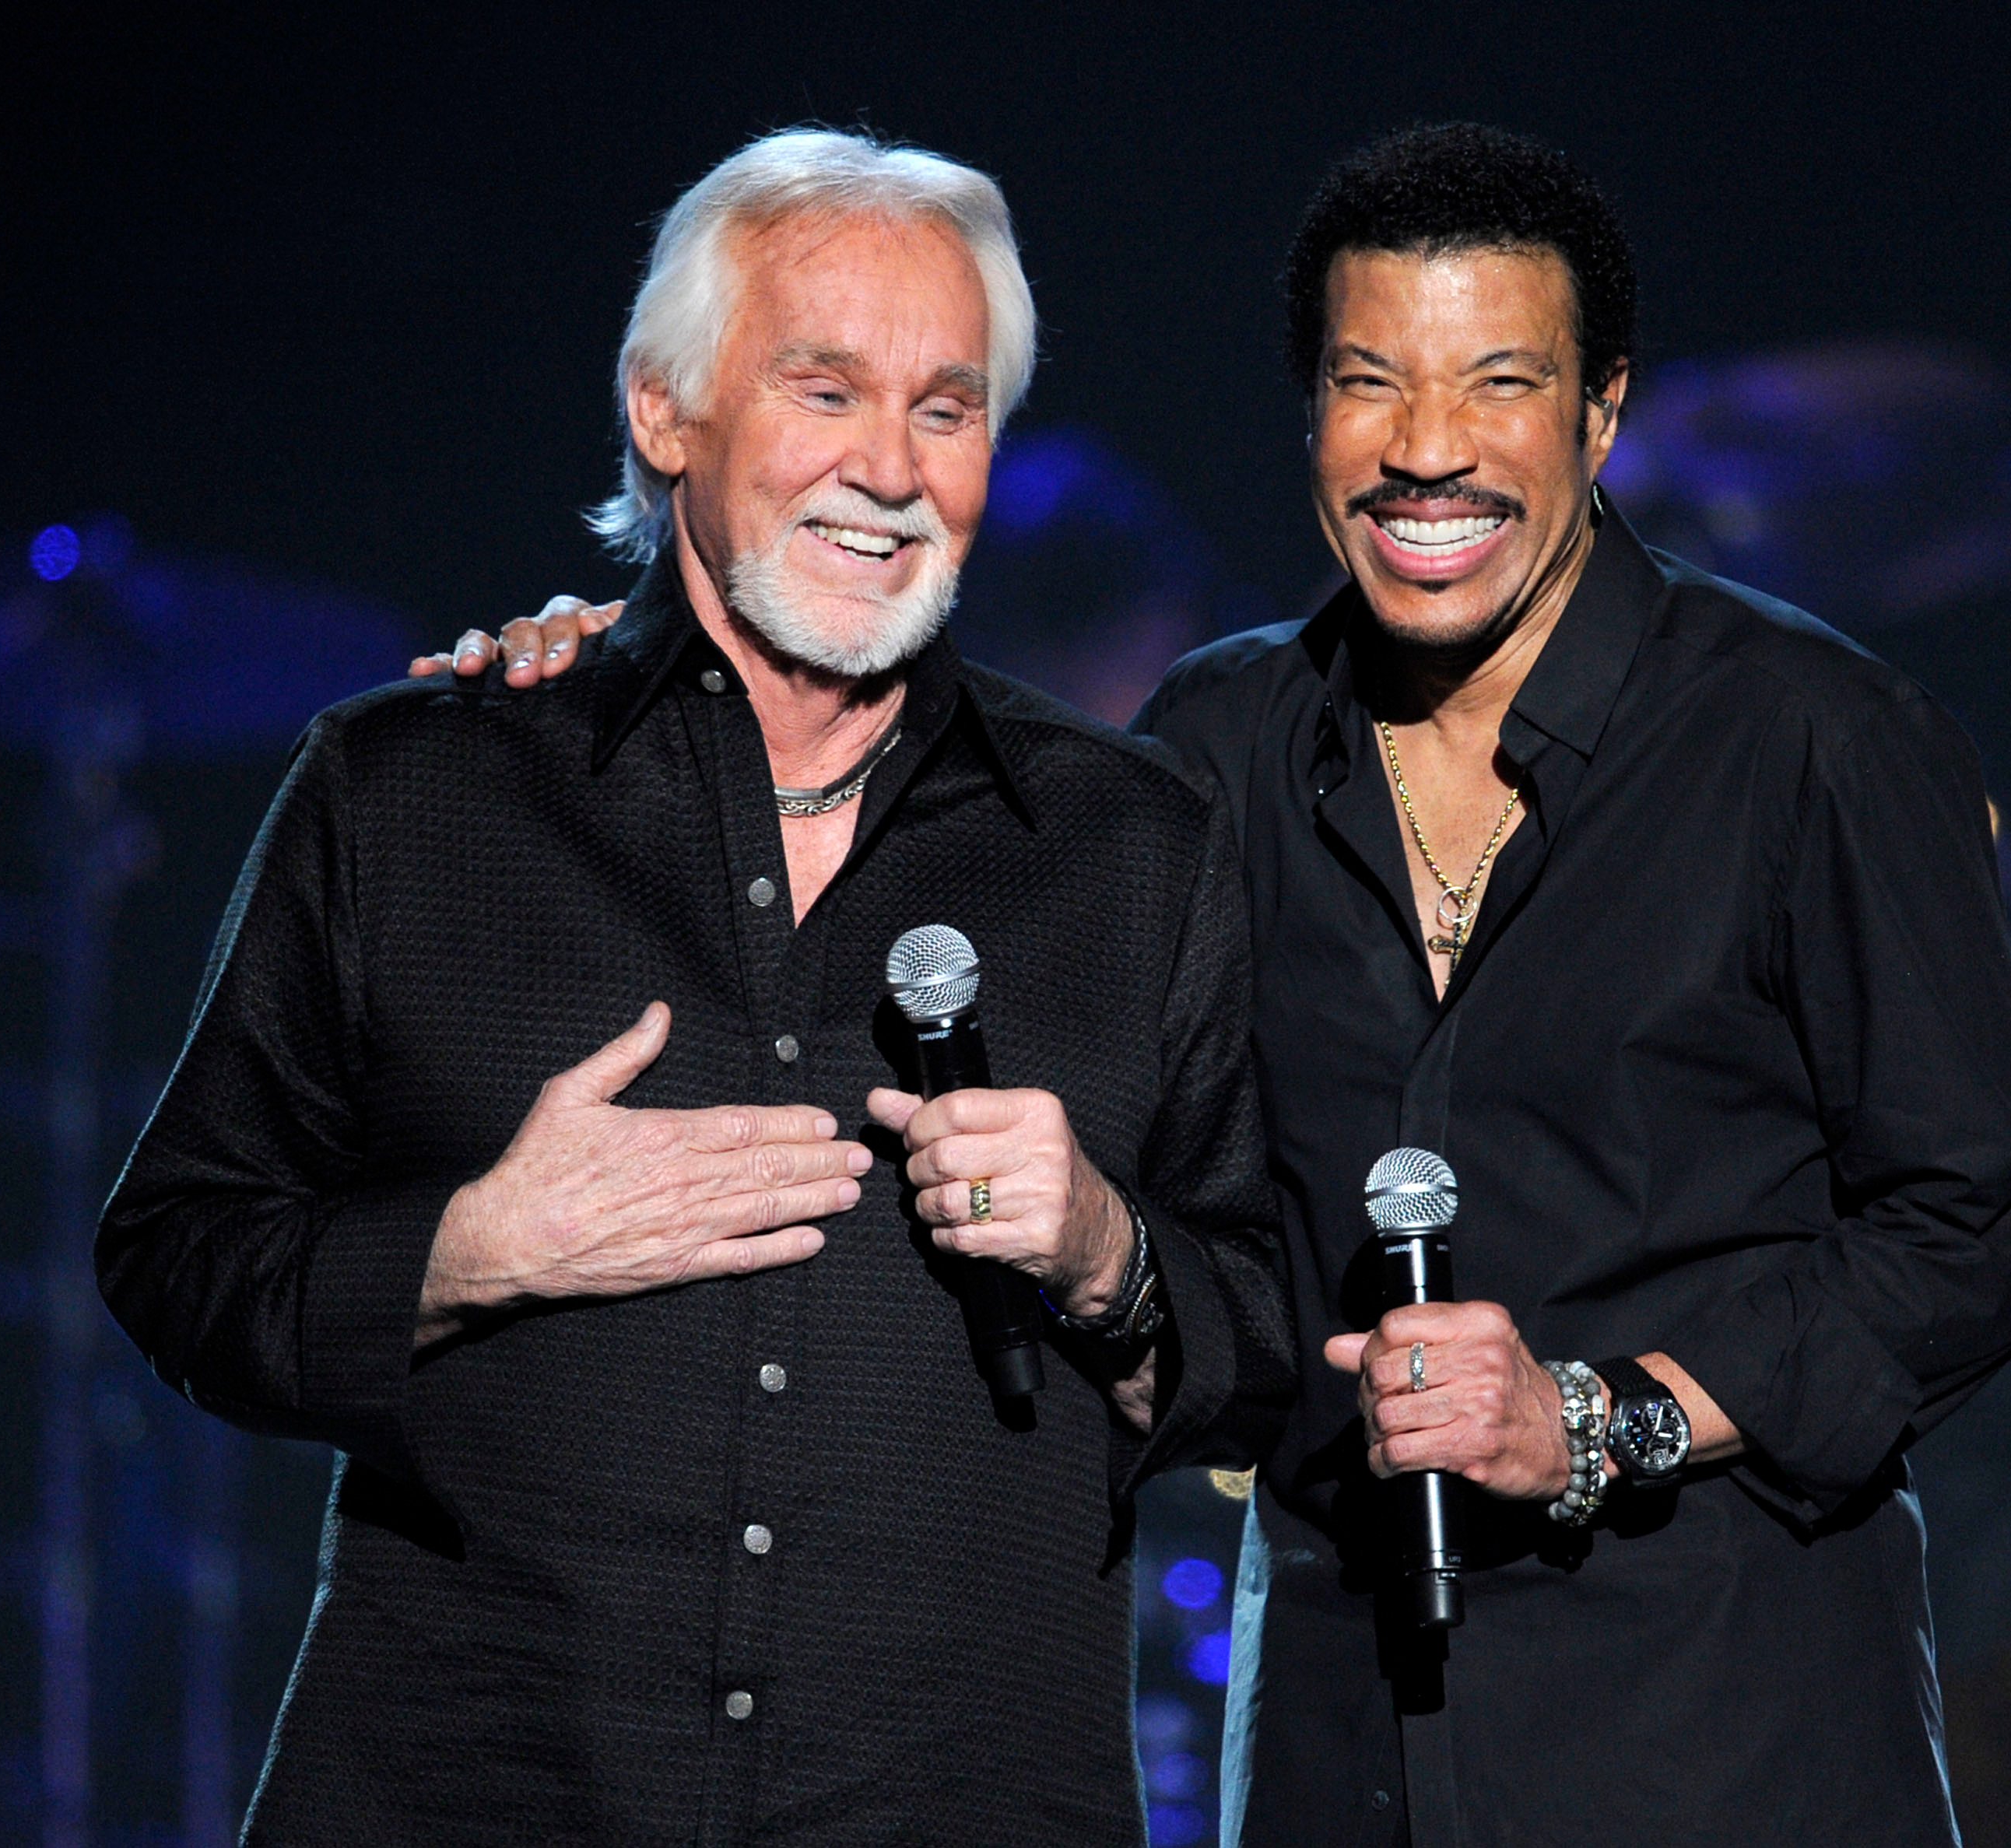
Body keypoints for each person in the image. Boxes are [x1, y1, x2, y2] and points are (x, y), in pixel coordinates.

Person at [456, 124, 2011, 1846]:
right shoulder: (1216, 748)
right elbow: (894, 937)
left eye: (1499, 386)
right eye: (1370, 384)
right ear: (1309, 415)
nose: (1427, 452)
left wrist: (1605, 1419)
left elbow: (1981, 1227)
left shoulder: (1814, 739)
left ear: (1603, 416)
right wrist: (655, 677)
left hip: (1723, 1737)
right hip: (1331, 1741)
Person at [99, 128, 1292, 1848]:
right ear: (667, 414)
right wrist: (467, 1252)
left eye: (945, 410)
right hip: (475, 1799)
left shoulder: (1135, 844)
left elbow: (1267, 1353)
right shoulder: (413, 791)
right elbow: (175, 1258)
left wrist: (1110, 1258)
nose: (890, 468)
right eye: (825, 392)